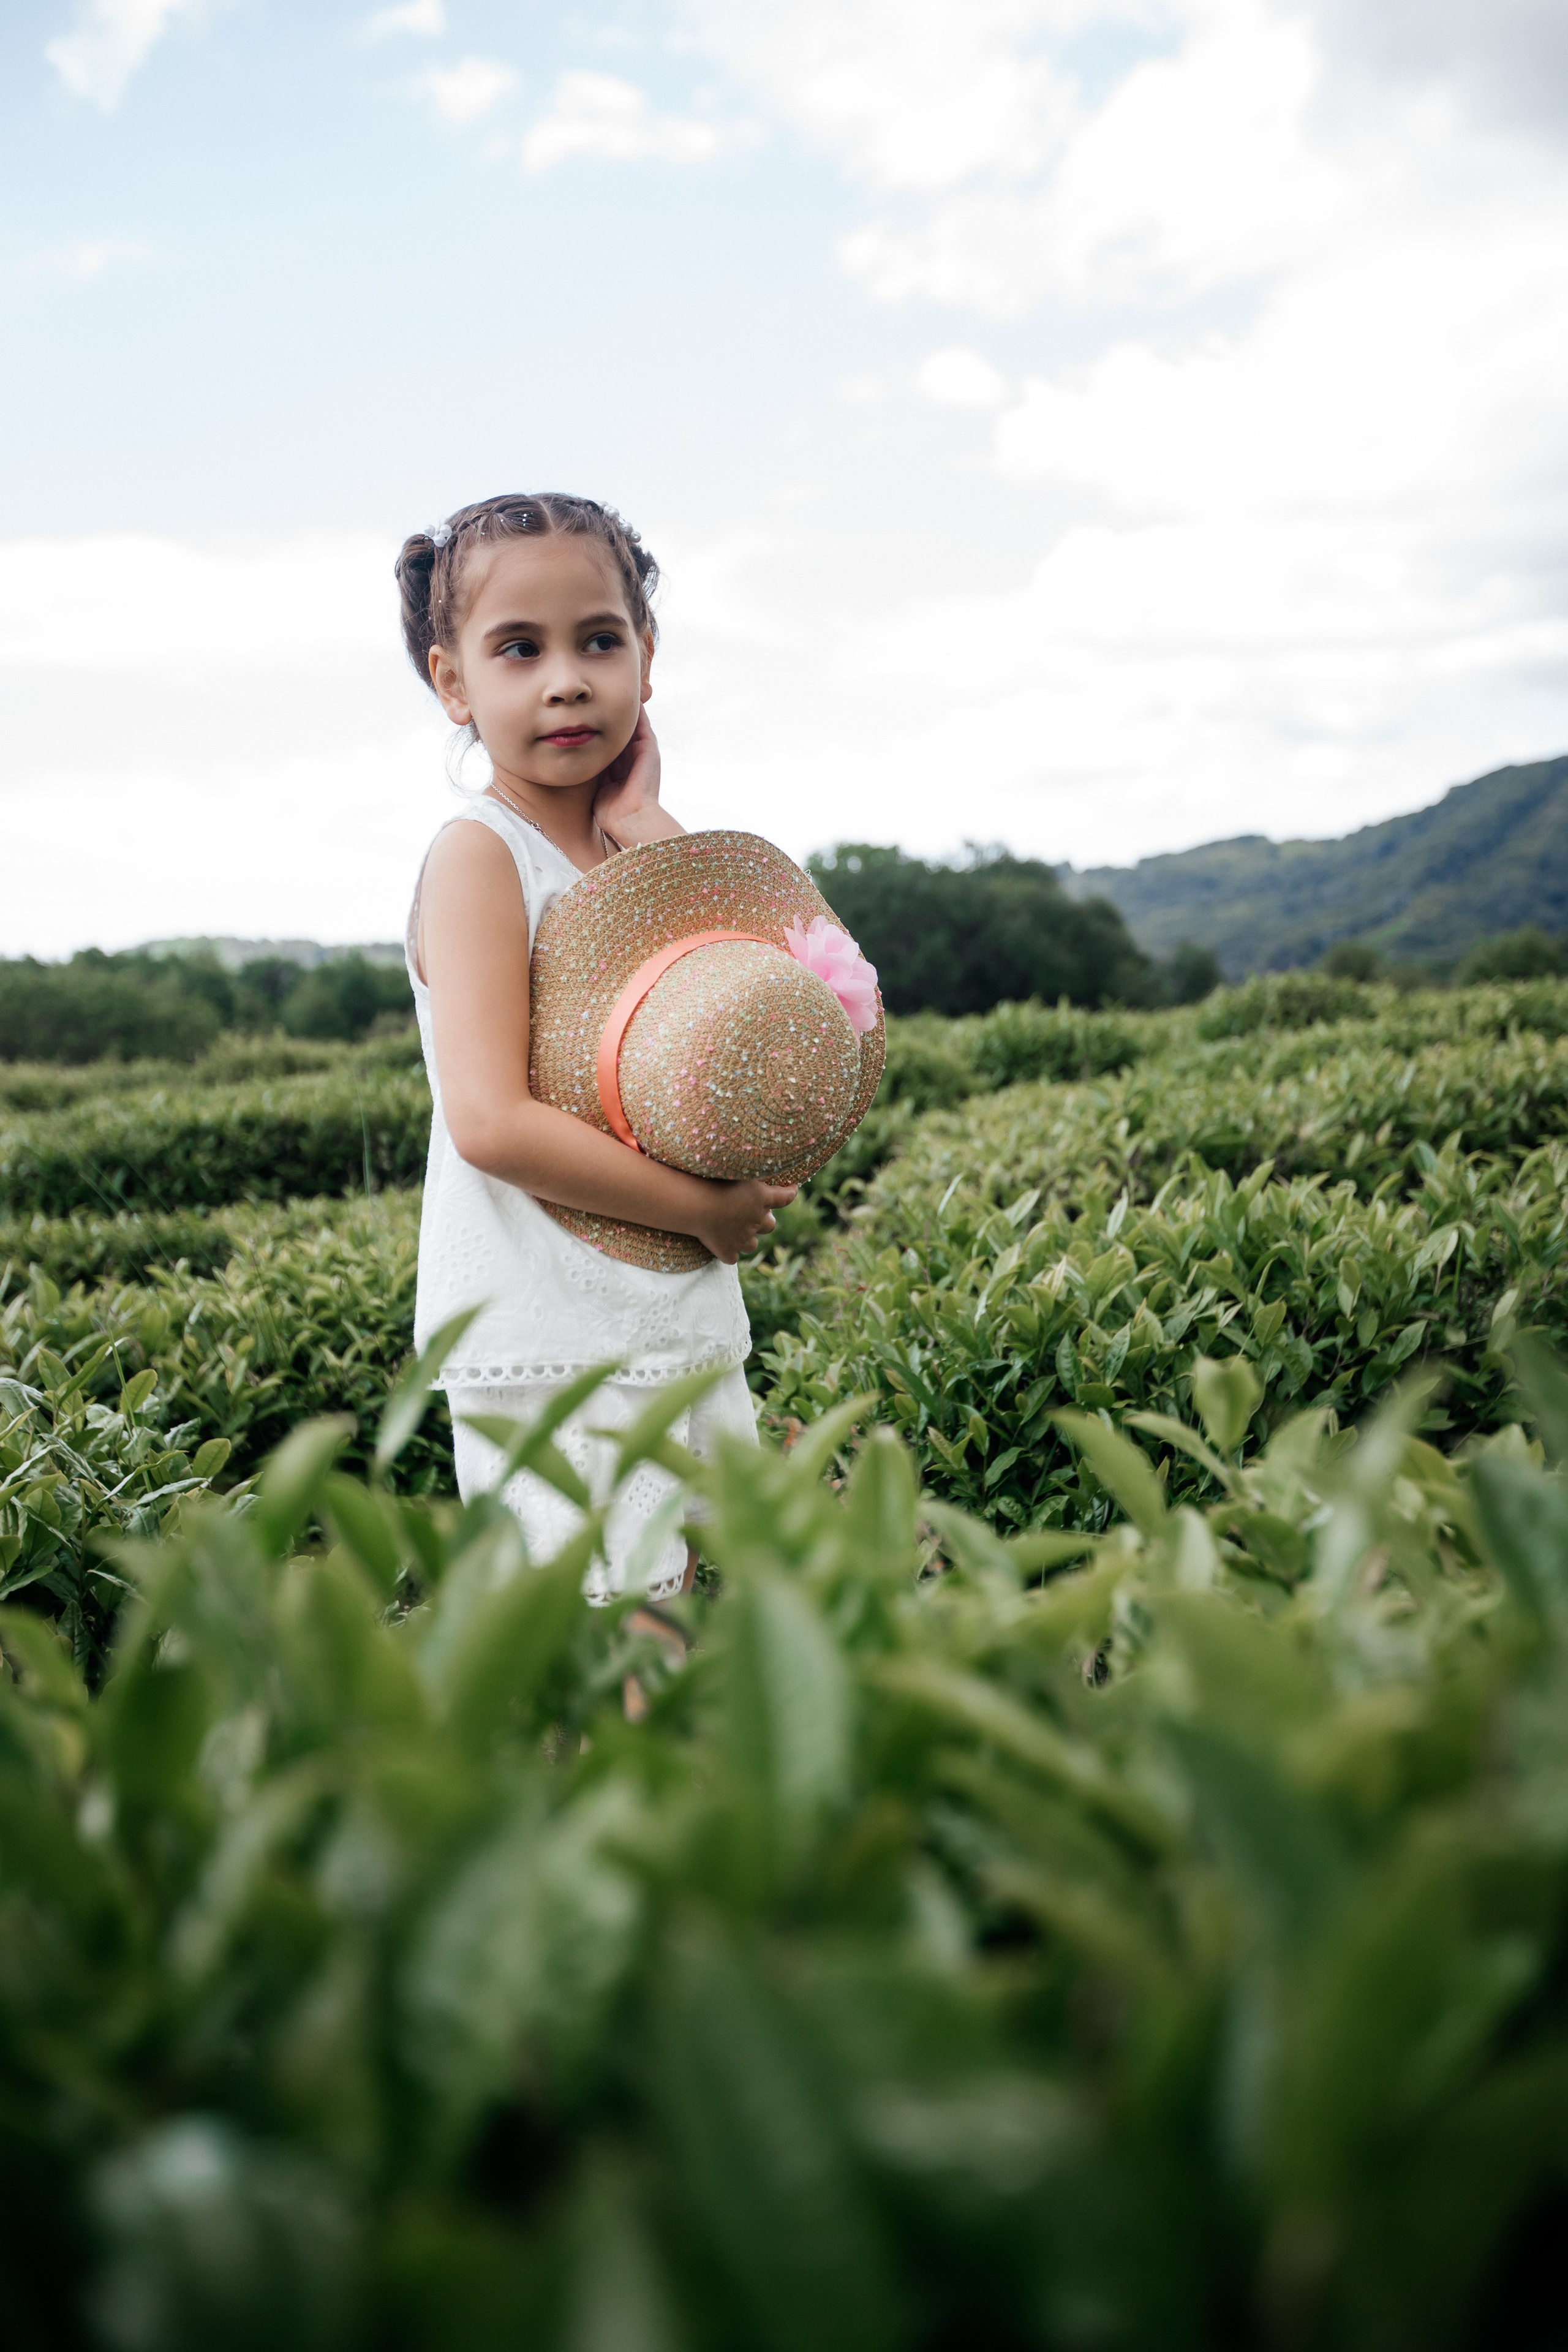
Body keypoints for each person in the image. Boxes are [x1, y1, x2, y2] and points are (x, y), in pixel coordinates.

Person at [398, 492, 796, 1605]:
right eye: (518, 649)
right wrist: (706, 1211)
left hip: (668, 1310)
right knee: (628, 1657)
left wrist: (653, 834)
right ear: (454, 684)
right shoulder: (482, 856)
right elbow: (491, 1123)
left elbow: (754, 1033)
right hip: (550, 1335)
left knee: (733, 1631)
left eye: (599, 641)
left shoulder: (634, 850)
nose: (566, 678)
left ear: (647, 660)